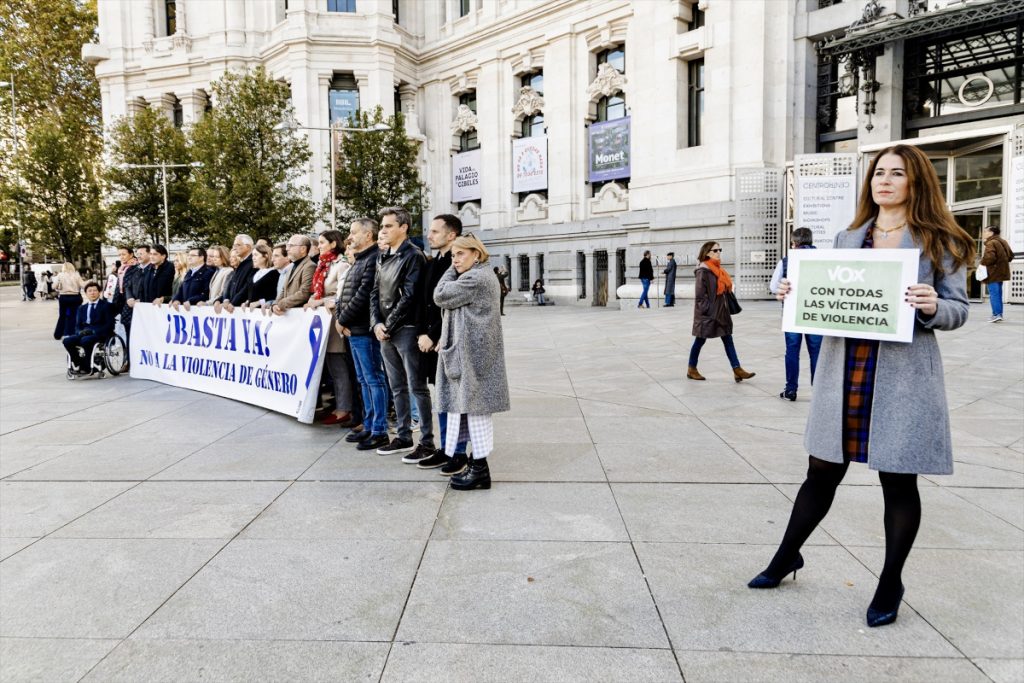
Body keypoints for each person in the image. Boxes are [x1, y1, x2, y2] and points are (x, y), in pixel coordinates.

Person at [750, 144, 974, 629]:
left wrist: (933, 305)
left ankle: (891, 581)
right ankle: (786, 556)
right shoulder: (849, 237)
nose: (884, 181)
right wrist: (795, 292)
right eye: (878, 173)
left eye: (896, 173)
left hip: (900, 375)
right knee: (821, 470)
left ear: (916, 181)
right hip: (845, 368)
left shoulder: (940, 240)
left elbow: (959, 310)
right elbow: (829, 293)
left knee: (898, 479)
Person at [434, 234, 511, 490]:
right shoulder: (480, 274)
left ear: (476, 254)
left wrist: (449, 270)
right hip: (474, 354)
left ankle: (480, 471)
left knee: (475, 411)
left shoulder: (474, 278)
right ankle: (476, 467)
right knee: (471, 410)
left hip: (472, 357)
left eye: (460, 254)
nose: (455, 260)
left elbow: (440, 295)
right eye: (453, 255)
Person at [370, 206, 435, 458]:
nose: (383, 230)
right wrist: (376, 323)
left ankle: (426, 441)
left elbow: (410, 296)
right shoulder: (383, 255)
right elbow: (375, 293)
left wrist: (389, 324)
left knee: (416, 386)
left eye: (388, 226)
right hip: (385, 330)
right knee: (396, 386)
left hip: (406, 329)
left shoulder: (413, 255)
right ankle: (403, 436)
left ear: (403, 228)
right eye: (382, 226)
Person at [410, 214, 470, 471]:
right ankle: (445, 447)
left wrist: (433, 335)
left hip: (447, 340)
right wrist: (421, 334)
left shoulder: (458, 265)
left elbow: (449, 306)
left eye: (435, 231)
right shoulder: (431, 263)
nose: (429, 235)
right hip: (429, 340)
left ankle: (457, 451)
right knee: (441, 396)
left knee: (456, 397)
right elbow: (422, 303)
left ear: (451, 235)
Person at [336, 218, 389, 451]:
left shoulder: (372, 259)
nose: (350, 237)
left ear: (369, 235)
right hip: (352, 329)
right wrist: (340, 317)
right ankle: (368, 425)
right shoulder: (358, 261)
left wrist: (342, 319)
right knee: (363, 380)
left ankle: (379, 430)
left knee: (373, 379)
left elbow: (364, 294)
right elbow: (343, 295)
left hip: (363, 330)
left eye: (354, 232)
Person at [686, 242, 755, 382]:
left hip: (721, 312)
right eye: (715, 250)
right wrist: (709, 311)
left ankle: (737, 369)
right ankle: (691, 369)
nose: (718, 252)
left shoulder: (718, 269)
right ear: (707, 253)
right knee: (700, 340)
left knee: (728, 339)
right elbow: (700, 296)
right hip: (708, 314)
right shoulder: (703, 271)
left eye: (720, 250)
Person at [306, 230, 355, 426]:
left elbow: (342, 295)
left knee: (338, 365)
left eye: (322, 242)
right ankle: (340, 404)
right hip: (324, 320)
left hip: (335, 320)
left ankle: (344, 408)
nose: (318, 247)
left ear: (333, 244)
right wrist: (313, 300)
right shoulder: (323, 264)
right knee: (331, 366)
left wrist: (319, 302)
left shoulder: (341, 265)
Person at [769, 227, 822, 401]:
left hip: (792, 314)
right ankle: (817, 391)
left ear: (794, 242)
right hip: (815, 313)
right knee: (816, 352)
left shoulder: (786, 261)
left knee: (792, 351)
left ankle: (790, 390)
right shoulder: (822, 259)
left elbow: (773, 286)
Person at [62, 281, 115, 375]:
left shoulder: (106, 306)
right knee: (67, 341)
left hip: (100, 332)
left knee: (86, 341)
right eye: (90, 291)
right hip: (85, 333)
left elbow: (109, 324)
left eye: (95, 290)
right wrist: (79, 332)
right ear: (86, 293)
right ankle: (78, 363)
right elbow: (78, 325)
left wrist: (94, 331)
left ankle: (87, 366)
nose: (92, 293)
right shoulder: (82, 308)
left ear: (99, 292)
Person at [273, 235, 316, 314]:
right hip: (288, 315)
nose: (287, 249)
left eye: (291, 246)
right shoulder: (291, 267)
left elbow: (304, 293)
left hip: (301, 315)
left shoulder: (310, 266)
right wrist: (275, 304)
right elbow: (283, 289)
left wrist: (281, 304)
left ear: (303, 249)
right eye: (287, 246)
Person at [979, 225, 1012, 322]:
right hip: (1001, 272)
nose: (984, 233)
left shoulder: (991, 243)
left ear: (991, 233)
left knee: (994, 294)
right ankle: (999, 314)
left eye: (985, 231)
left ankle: (996, 314)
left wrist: (982, 263)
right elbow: (1011, 256)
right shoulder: (1003, 241)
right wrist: (1002, 262)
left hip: (993, 272)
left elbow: (990, 258)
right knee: (998, 293)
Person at [215, 234, 255, 313]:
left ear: (248, 247)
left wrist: (234, 302)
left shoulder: (253, 263)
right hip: (233, 307)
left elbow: (247, 286)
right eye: (234, 245)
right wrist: (221, 300)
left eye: (237, 245)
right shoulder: (242, 263)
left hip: (241, 309)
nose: (234, 248)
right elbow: (230, 285)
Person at [123, 245, 151, 350]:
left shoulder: (153, 269)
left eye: (141, 253)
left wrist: (141, 300)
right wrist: (129, 298)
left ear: (149, 254)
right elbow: (128, 286)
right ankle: (129, 361)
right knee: (130, 338)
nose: (138, 256)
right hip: (130, 309)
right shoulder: (134, 269)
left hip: (145, 309)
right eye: (137, 254)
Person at [53, 262, 84, 339]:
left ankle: (58, 334)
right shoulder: (76, 275)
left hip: (64, 297)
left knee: (62, 316)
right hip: (75, 296)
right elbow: (83, 285)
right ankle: (73, 332)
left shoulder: (60, 275)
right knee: (75, 315)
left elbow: (54, 286)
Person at [244, 243, 280, 308]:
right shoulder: (254, 274)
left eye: (256, 255)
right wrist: (247, 302)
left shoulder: (274, 273)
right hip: (252, 314)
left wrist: (259, 302)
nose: (253, 258)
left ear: (265, 256)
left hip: (266, 314)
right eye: (252, 255)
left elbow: (274, 296)